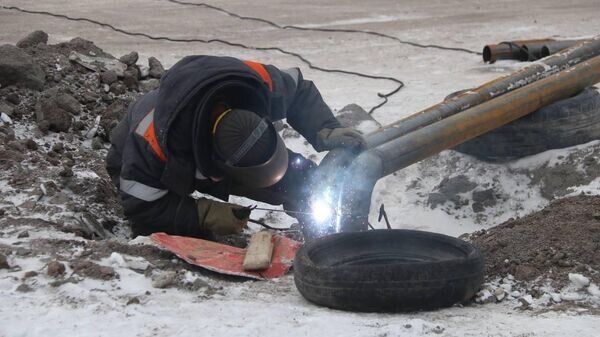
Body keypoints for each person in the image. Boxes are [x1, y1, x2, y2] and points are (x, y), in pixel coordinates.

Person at [106, 55, 365, 238]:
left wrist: (324, 127)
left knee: (302, 180)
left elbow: (297, 88)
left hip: (207, 147)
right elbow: (141, 209)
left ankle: (324, 230)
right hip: (149, 165)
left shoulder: (252, 84)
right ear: (223, 168)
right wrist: (204, 213)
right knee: (185, 230)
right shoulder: (150, 144)